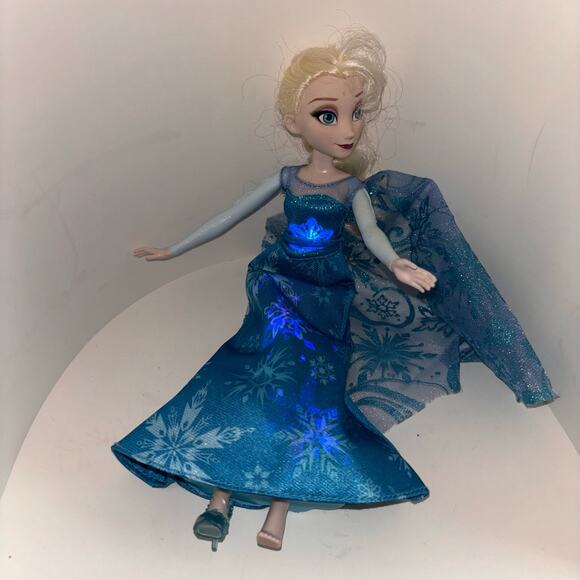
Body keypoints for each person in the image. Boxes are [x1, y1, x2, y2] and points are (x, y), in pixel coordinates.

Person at [111, 27, 558, 553]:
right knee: (248, 368)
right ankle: (219, 498)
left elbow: (370, 234)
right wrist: (175, 248)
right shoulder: (288, 177)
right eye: (328, 115)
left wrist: (397, 263)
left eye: (356, 112)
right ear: (293, 122)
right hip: (279, 281)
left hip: (326, 293)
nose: (347, 129)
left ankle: (277, 507)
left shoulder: (351, 188)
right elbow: (228, 216)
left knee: (311, 389)